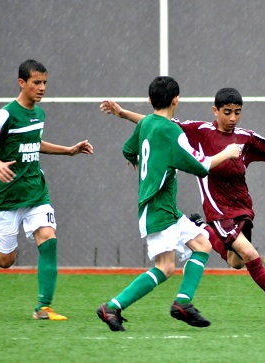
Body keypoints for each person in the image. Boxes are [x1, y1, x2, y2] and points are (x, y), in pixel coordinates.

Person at [100, 87, 265, 321]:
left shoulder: (245, 138)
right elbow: (160, 125)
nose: (232, 118)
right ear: (215, 110)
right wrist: (123, 114)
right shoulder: (200, 131)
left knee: (237, 262)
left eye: (237, 112)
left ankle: (203, 233)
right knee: (249, 253)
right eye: (227, 112)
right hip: (218, 210)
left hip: (242, 207)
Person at [0, 59, 94, 320]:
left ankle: (43, 308)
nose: (42, 88)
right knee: (5, 260)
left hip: (35, 190)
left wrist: (68, 150)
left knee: (48, 238)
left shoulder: (39, 114)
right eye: (36, 82)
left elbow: (34, 143)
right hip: (6, 195)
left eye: (45, 83)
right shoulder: (6, 114)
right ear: (22, 83)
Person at [96, 77, 241, 331]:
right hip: (157, 208)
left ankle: (183, 303)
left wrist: (141, 163)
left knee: (202, 245)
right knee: (165, 268)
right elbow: (202, 166)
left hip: (166, 208)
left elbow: (128, 150)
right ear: (176, 100)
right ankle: (113, 307)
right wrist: (227, 153)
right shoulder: (172, 131)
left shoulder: (147, 124)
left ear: (150, 100)